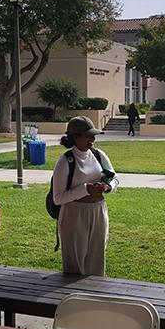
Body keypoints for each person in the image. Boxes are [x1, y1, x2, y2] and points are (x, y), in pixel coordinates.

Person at [51, 116, 118, 276]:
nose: (92, 139)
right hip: (74, 214)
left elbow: (114, 178)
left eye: (93, 135)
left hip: (98, 211)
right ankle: (73, 297)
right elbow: (58, 198)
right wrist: (85, 189)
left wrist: (108, 187)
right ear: (75, 137)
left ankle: (94, 297)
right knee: (75, 264)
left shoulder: (98, 155)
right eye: (88, 136)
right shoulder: (65, 161)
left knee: (97, 259)